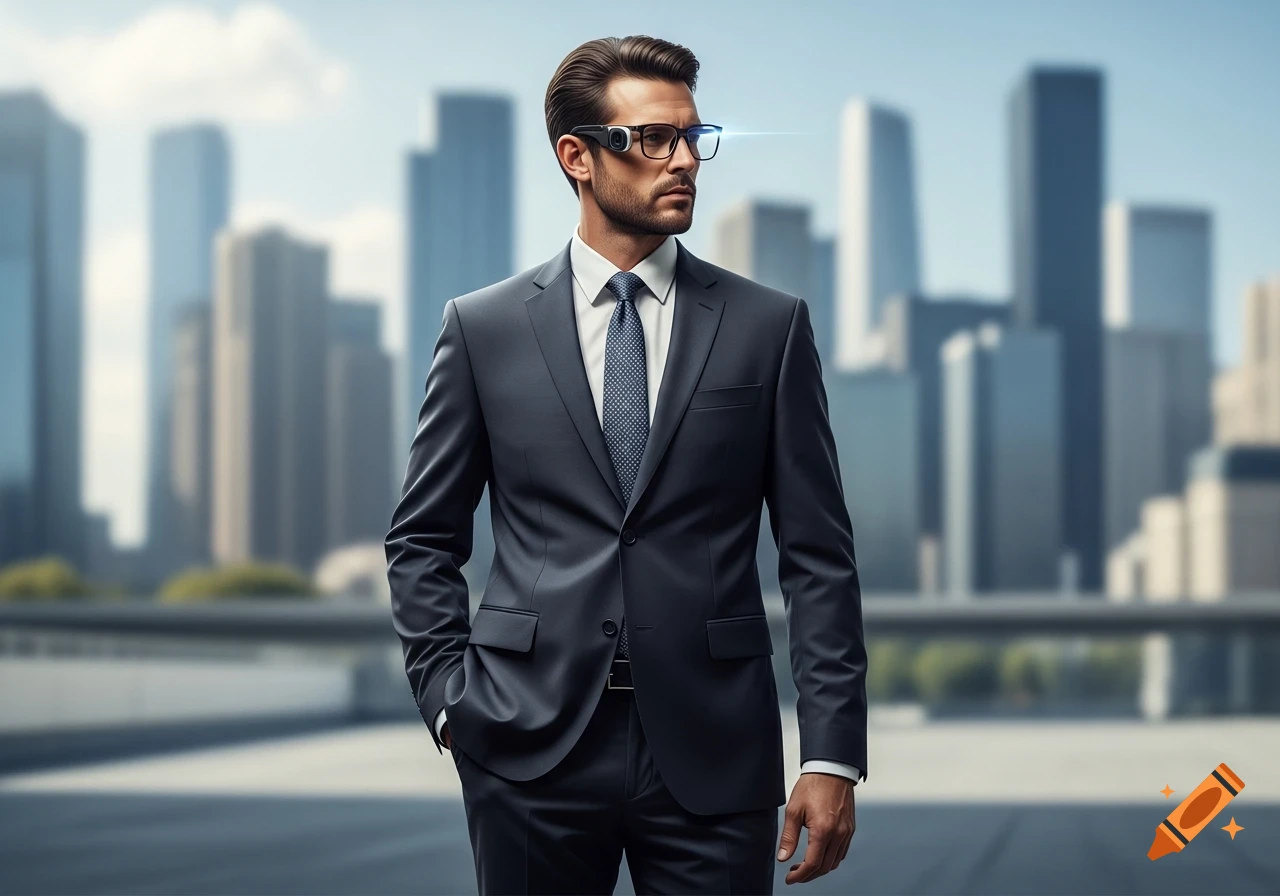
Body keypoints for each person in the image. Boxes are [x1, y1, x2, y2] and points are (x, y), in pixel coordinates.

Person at [385, 33, 868, 895]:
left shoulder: (769, 326)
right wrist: (450, 704)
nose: (683, 160)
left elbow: (818, 557)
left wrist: (832, 753)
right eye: (651, 139)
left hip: (716, 749)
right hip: (526, 742)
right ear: (577, 156)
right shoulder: (482, 329)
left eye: (692, 136)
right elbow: (422, 539)